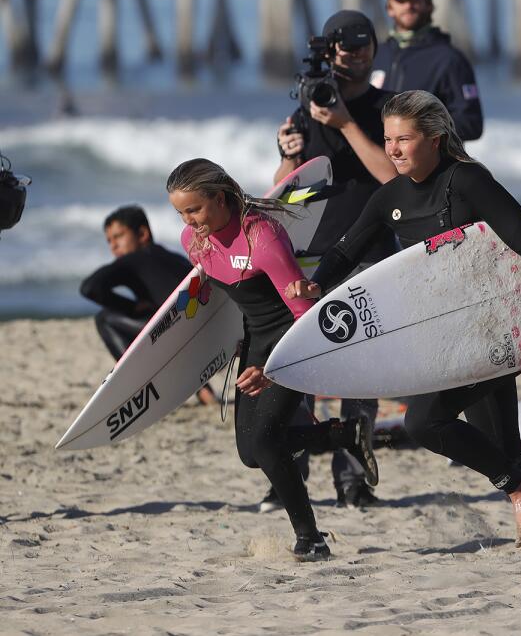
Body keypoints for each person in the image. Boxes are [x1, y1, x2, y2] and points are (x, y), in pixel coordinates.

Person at [286, 90, 521, 583]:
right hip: (449, 334)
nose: (393, 149)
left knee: (423, 421)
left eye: (404, 138)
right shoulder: (391, 196)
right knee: (500, 446)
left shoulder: (468, 182)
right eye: (387, 139)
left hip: (496, 331)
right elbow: (347, 250)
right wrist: (318, 283)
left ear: (435, 138)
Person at [165, 158, 378, 561]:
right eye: (180, 212)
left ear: (221, 197)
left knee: (264, 442)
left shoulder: (262, 237)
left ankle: (311, 538)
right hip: (255, 344)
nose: (188, 221)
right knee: (250, 454)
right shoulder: (192, 241)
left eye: (194, 209)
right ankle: (343, 435)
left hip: (291, 342)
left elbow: (302, 316)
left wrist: (272, 370)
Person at [276, 8, 398, 509]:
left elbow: (391, 175)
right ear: (330, 52)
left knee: (360, 368)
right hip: (309, 249)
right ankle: (290, 473)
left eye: (367, 47)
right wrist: (287, 152)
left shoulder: (387, 106)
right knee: (300, 366)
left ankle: (353, 481)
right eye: (349, 49)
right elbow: (286, 193)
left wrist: (346, 124)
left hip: (369, 247)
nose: (360, 56)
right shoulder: (308, 108)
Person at [80, 206, 218, 406]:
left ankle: (142, 387)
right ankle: (203, 390)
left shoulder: (134, 259)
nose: (113, 246)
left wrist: (131, 307)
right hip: (209, 334)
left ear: (143, 234)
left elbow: (89, 288)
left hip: (179, 338)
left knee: (104, 318)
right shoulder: (176, 258)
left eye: (118, 236)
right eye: (109, 241)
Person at [370, 0, 483, 141]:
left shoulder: (449, 59)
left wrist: (418, 130)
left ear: (428, 4)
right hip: (379, 163)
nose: (408, 5)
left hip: (429, 165)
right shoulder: (376, 55)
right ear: (389, 8)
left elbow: (471, 124)